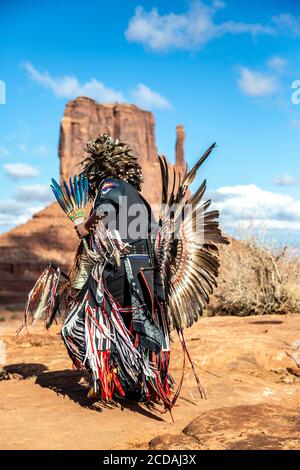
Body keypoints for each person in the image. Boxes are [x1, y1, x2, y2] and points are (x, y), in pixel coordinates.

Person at [21, 134, 228, 411]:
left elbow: (106, 208)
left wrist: (86, 226)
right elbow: (150, 234)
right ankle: (139, 387)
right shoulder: (139, 198)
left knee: (77, 325)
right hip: (148, 275)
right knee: (135, 329)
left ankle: (101, 376)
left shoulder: (110, 185)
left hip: (121, 272)